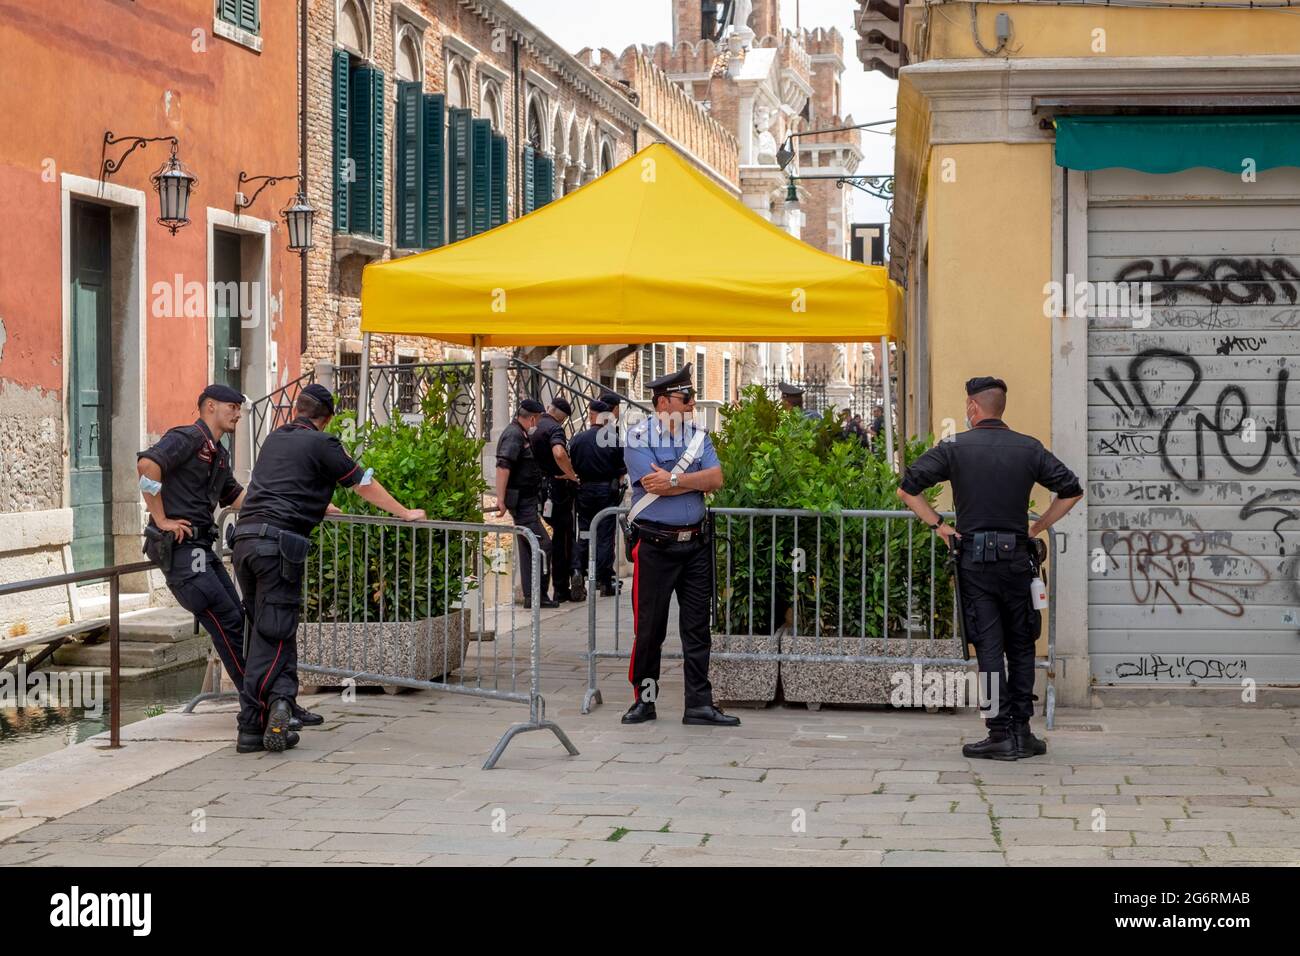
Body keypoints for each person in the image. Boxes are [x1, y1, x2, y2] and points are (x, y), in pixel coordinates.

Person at [231, 384, 426, 754]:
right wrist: (404, 512)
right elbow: (362, 482)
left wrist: (317, 506)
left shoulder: (274, 440)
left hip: (246, 541)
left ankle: (283, 705)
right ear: (328, 417)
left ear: (297, 411)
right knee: (273, 633)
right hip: (279, 547)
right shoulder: (324, 444)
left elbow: (282, 488)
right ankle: (251, 727)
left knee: (271, 627)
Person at [896, 376, 1083, 761]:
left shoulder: (954, 447)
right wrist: (1038, 526)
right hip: (1018, 559)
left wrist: (940, 527)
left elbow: (907, 488)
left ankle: (998, 732)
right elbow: (1072, 490)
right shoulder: (1028, 448)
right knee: (1022, 645)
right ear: (1001, 407)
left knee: (989, 648)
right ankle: (1022, 732)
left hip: (976, 562)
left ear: (971, 408)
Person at [621, 364, 739, 727]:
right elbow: (651, 485)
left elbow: (716, 478)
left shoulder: (699, 436)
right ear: (662, 402)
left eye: (691, 398)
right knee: (650, 629)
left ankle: (699, 705)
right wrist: (692, 480)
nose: (691, 405)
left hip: (696, 545)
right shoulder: (638, 437)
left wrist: (673, 478)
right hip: (656, 546)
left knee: (696, 628)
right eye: (685, 398)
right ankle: (646, 701)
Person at [137, 384, 252, 729]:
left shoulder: (218, 452)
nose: (237, 413)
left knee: (240, 622)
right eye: (232, 406)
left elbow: (234, 496)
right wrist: (160, 518)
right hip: (183, 552)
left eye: (239, 408)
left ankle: (263, 699)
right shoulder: (188, 437)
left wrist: (285, 503)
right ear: (210, 406)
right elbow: (147, 467)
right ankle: (259, 704)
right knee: (228, 624)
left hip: (203, 548)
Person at [495, 399, 556, 609]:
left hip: (526, 499)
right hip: (521, 502)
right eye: (537, 419)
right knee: (543, 545)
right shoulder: (514, 435)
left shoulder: (519, 433)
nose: (537, 424)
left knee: (528, 545)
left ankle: (533, 595)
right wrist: (500, 499)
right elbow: (503, 466)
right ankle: (538, 595)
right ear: (532, 417)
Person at [568, 395, 626, 600]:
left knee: (583, 533)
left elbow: (570, 465)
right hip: (605, 492)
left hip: (583, 490)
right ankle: (604, 579)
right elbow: (621, 472)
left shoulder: (577, 439)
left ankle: (577, 571)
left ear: (592, 415)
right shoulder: (613, 439)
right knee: (604, 536)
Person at [531, 397, 580, 603]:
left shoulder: (534, 427)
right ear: (562, 417)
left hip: (536, 488)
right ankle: (561, 587)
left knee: (543, 539)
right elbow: (559, 453)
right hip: (556, 490)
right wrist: (571, 474)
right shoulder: (555, 429)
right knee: (564, 538)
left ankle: (538, 590)